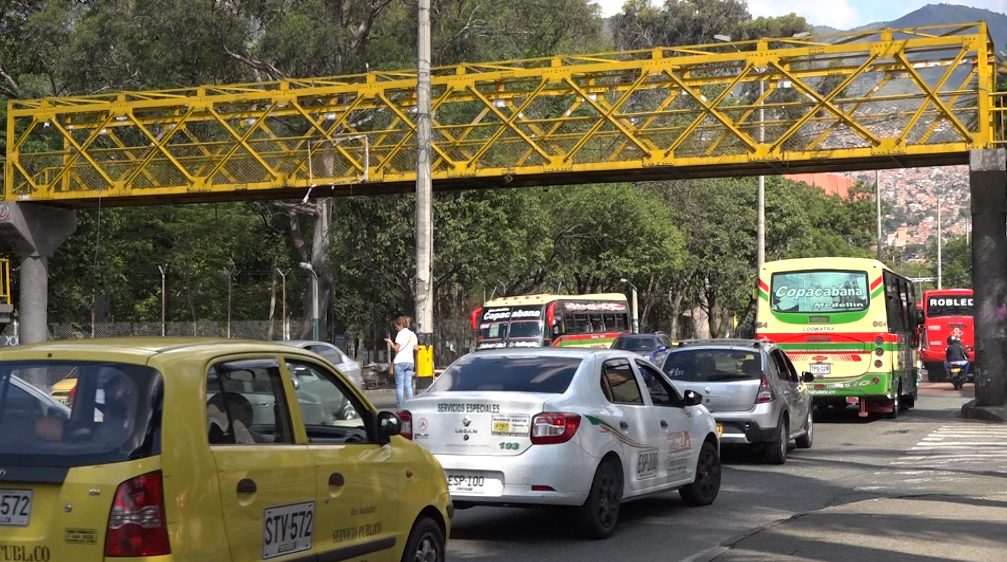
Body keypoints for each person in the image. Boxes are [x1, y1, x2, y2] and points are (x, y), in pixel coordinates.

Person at [385, 316, 417, 410]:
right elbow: (416, 348)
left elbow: (396, 349)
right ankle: (411, 406)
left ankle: (400, 408)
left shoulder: (400, 334)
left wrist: (390, 342)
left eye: (396, 326)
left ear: (400, 325)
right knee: (408, 386)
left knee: (400, 386)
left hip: (400, 362)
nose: (396, 329)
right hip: (410, 362)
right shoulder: (412, 334)